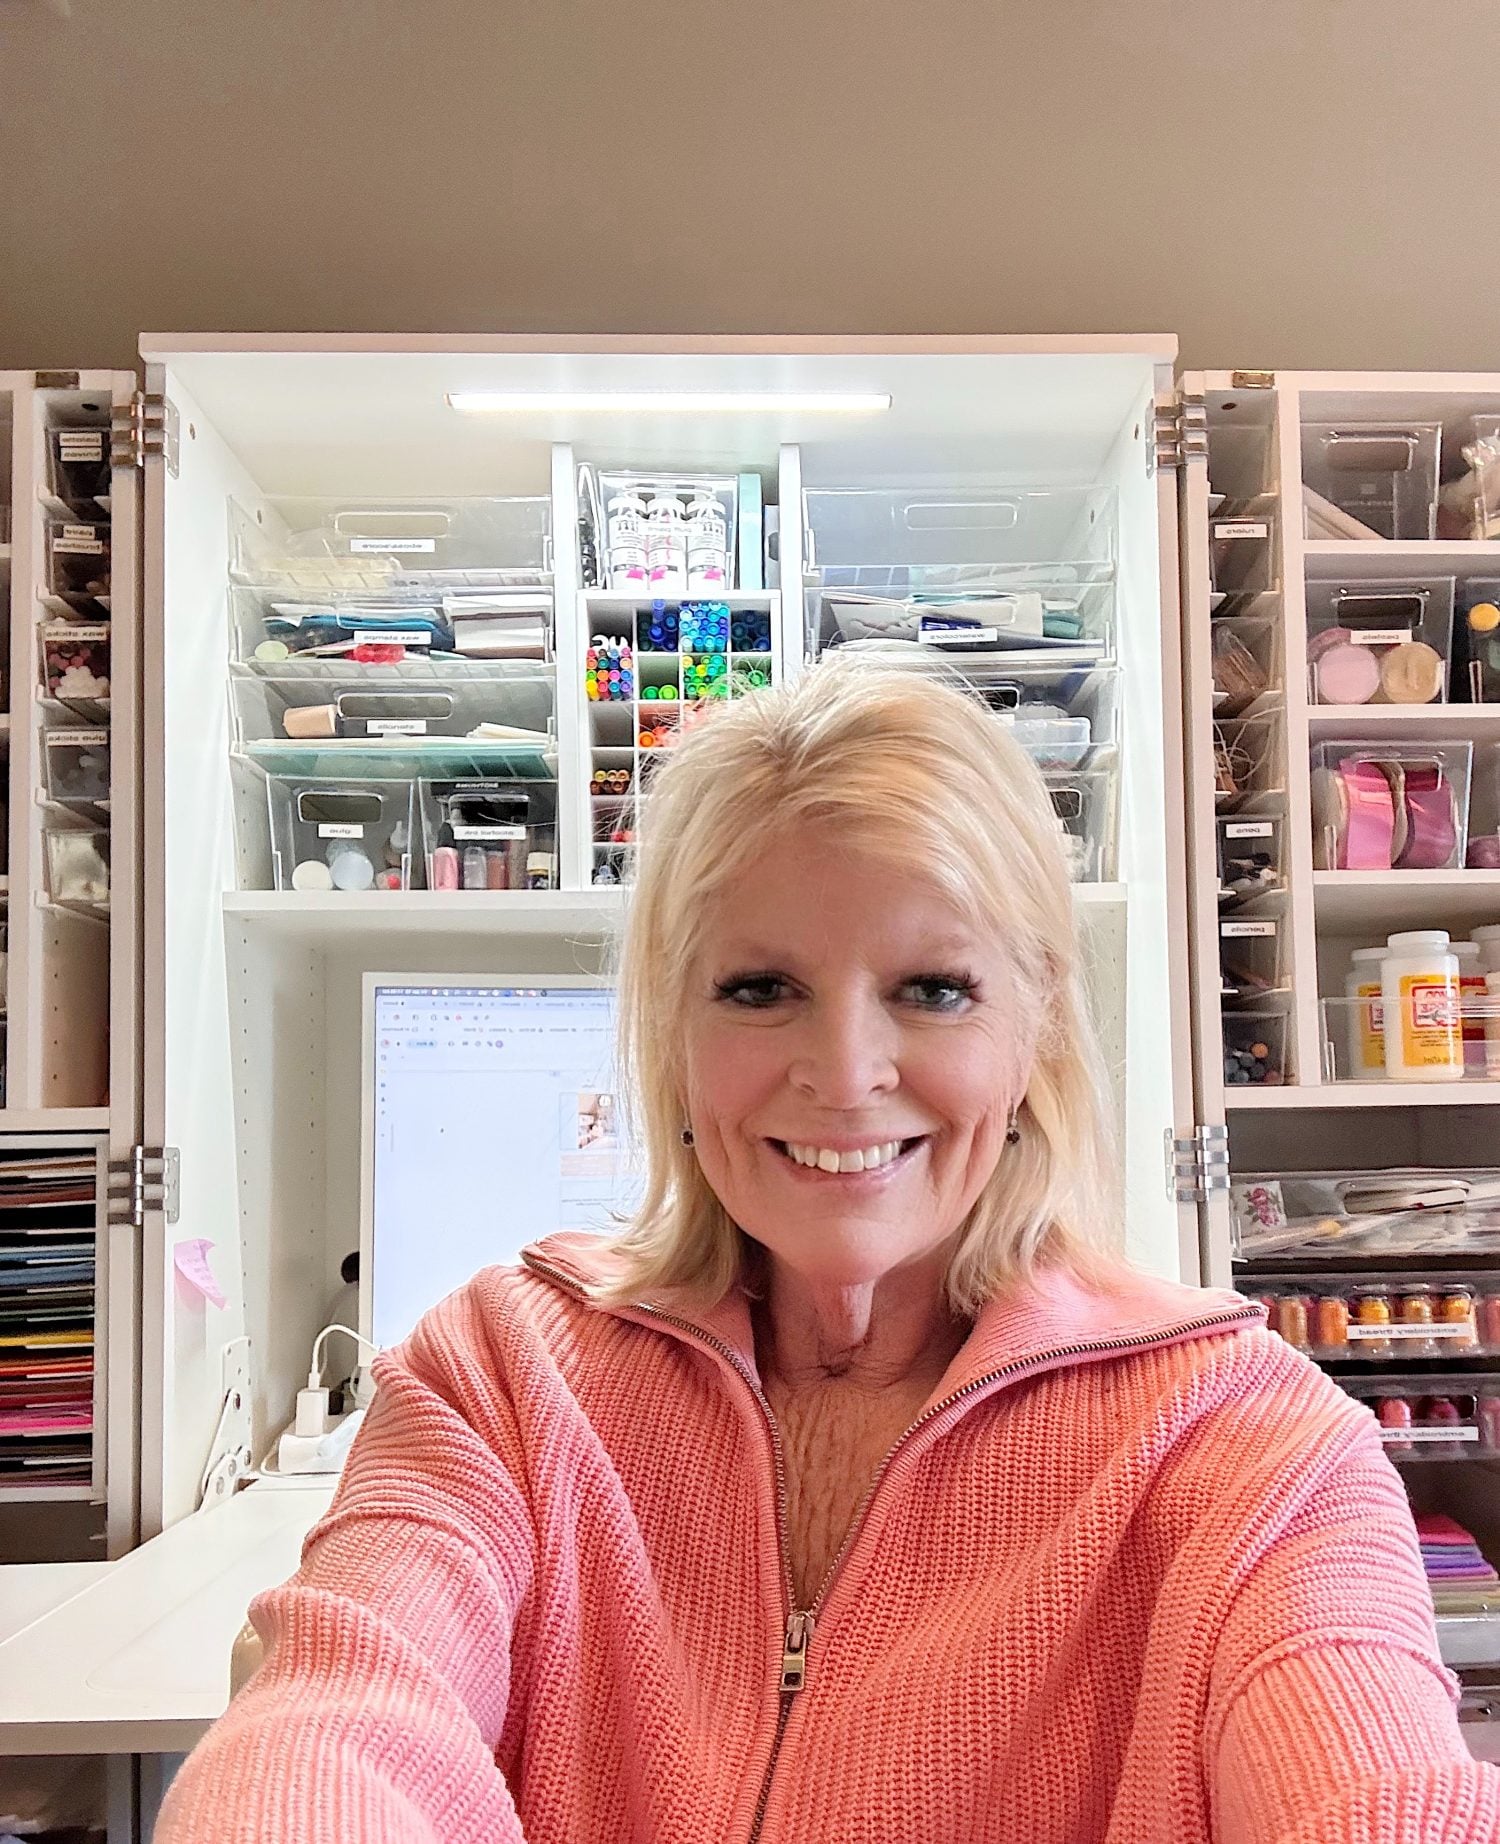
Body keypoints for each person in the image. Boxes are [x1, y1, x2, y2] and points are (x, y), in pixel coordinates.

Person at [156, 663, 1500, 1843]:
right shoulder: (498, 1381)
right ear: (674, 1031)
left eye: (932, 988)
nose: (846, 1076)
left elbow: (1367, 1778)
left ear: (1033, 1027)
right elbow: (343, 1715)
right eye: (760, 988)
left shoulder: (1251, 1452)